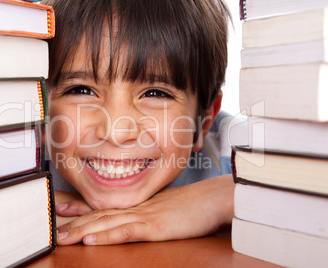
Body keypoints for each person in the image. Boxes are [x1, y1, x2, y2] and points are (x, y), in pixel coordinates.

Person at [42, 0, 239, 246]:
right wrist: (26, 206)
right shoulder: (19, 163)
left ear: (203, 121)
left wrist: (224, 197)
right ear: (40, 109)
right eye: (81, 90)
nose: (116, 132)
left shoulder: (237, 155)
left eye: (155, 93)